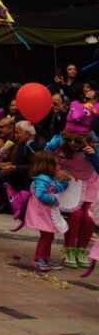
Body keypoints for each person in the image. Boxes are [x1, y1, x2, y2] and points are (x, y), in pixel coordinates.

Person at [44, 101, 99, 268]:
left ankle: (81, 250)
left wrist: (93, 156)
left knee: (89, 217)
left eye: (78, 140)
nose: (73, 144)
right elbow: (43, 160)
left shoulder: (95, 144)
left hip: (90, 182)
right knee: (76, 216)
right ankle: (68, 249)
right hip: (68, 183)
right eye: (70, 139)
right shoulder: (57, 142)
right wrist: (55, 172)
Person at [23, 150, 70, 272]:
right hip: (42, 211)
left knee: (49, 235)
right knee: (46, 236)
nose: (59, 167)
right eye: (56, 164)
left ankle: (46, 257)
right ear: (47, 165)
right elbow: (40, 194)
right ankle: (39, 259)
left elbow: (55, 189)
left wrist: (65, 183)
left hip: (46, 211)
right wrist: (53, 200)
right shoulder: (43, 179)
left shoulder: (49, 179)